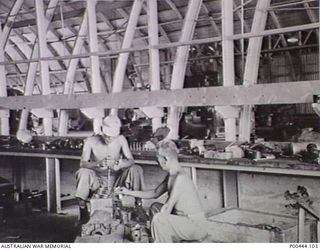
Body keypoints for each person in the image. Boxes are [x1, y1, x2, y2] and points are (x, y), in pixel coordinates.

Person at [115, 140, 208, 243]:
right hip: (182, 220)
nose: (157, 162)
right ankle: (162, 238)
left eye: (157, 159)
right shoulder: (172, 175)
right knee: (155, 207)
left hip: (195, 226)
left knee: (159, 219)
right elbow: (155, 193)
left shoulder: (181, 178)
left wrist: (149, 226)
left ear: (166, 159)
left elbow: (167, 208)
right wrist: (128, 192)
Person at [75, 114, 144, 224]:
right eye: (107, 136)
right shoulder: (91, 141)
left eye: (112, 136)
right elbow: (82, 163)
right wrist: (97, 164)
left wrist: (121, 164)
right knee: (82, 172)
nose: (109, 139)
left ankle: (139, 207)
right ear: (102, 130)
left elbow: (131, 160)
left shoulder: (121, 140)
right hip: (97, 180)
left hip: (117, 179)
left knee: (136, 169)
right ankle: (83, 211)